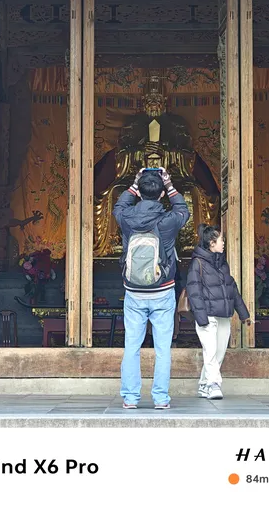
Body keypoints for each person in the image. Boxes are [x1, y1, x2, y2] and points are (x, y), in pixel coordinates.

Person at [113, 167, 190, 410]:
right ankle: (161, 398)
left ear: (139, 192)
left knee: (132, 346)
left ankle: (130, 398)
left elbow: (118, 206)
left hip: (134, 292)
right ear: (161, 195)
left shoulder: (127, 218)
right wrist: (170, 185)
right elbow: (183, 210)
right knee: (162, 348)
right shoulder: (168, 221)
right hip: (163, 290)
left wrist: (134, 183)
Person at [186, 224, 251, 401]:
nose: (224, 243)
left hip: (224, 315)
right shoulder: (197, 263)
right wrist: (201, 319)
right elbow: (194, 292)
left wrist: (243, 314)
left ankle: (203, 384)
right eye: (221, 239)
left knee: (219, 352)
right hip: (207, 315)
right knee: (211, 351)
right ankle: (213, 384)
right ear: (212, 243)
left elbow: (232, 288)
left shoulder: (223, 264)